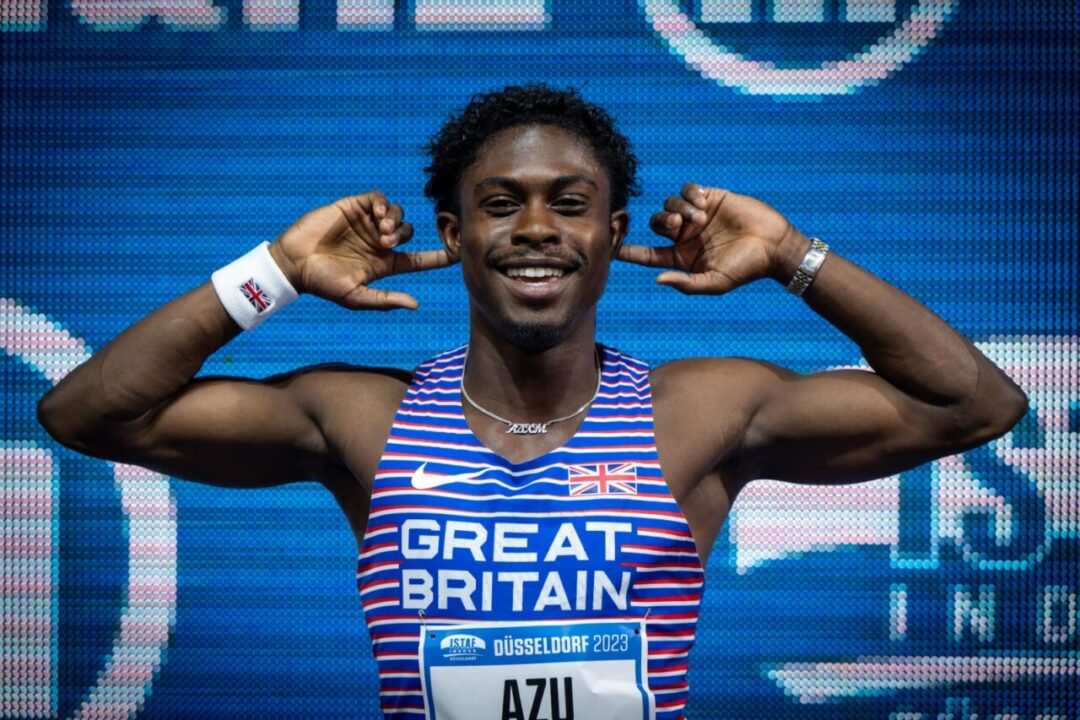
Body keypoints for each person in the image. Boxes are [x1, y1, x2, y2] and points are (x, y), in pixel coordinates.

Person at [37, 85, 1027, 720]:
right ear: (454, 233)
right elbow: (89, 415)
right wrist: (276, 274)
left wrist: (790, 257)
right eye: (501, 205)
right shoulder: (363, 420)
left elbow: (972, 405)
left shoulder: (699, 411)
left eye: (570, 202)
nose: (536, 229)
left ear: (614, 232)